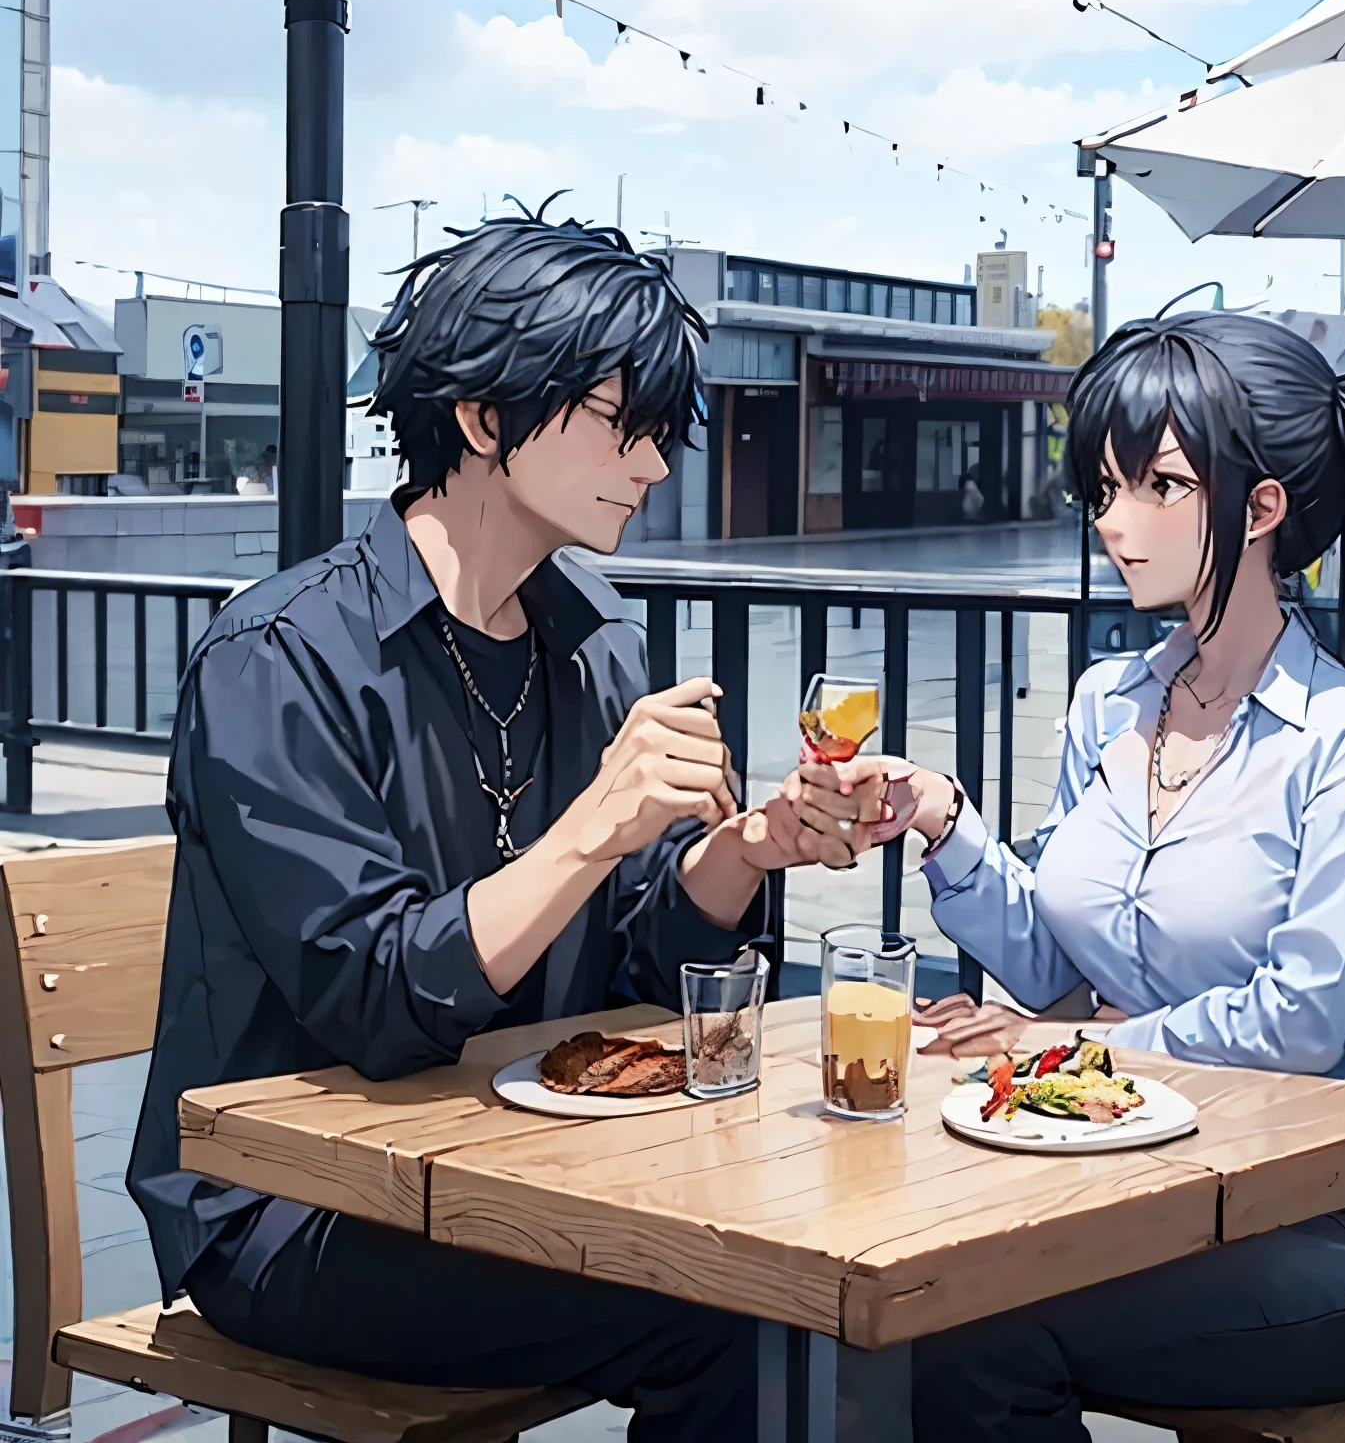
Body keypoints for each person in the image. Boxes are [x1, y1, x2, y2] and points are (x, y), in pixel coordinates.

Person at [128, 204, 853, 1443]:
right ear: (481, 421)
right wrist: (590, 828)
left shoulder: (595, 638)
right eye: (624, 426)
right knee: (745, 1304)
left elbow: (634, 963)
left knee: (804, 1261)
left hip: (517, 1158)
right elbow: (372, 997)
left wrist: (744, 852)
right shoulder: (280, 658)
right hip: (294, 1203)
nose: (657, 466)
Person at [788, 313, 1345, 1442]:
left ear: (1263, 509)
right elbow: (1053, 962)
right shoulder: (1106, 703)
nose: (1114, 522)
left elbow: (1304, 1023)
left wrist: (1072, 1048)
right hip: (1155, 1180)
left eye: (1157, 485)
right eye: (1105, 485)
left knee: (969, 1331)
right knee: (899, 1285)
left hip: (1342, 1216)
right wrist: (944, 821)